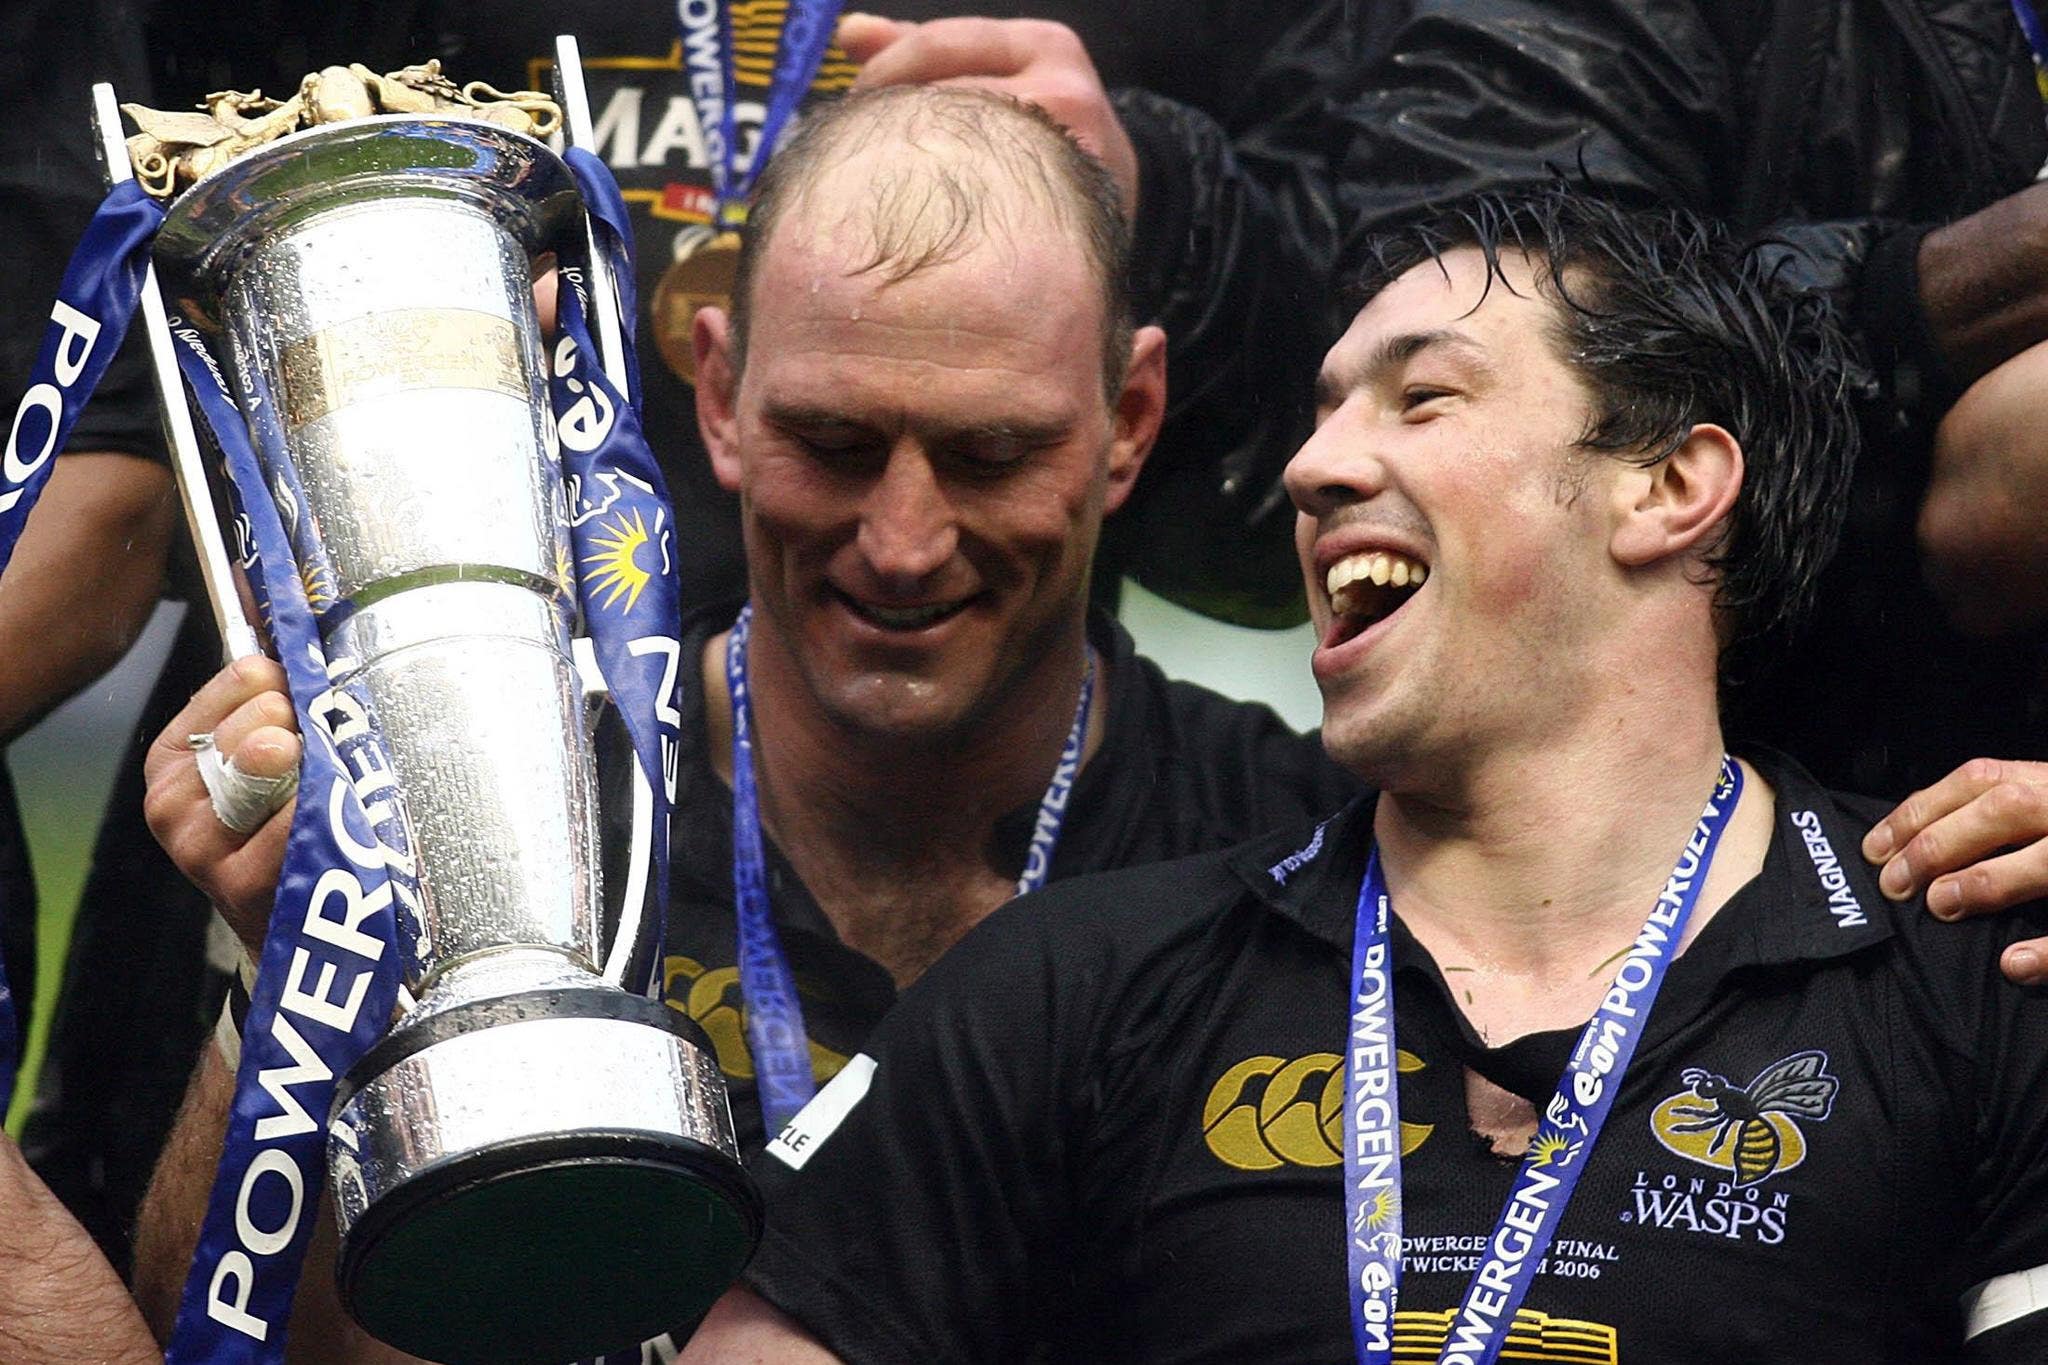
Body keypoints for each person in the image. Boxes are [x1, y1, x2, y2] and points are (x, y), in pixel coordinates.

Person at [679, 187, 2048, 1363]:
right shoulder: (1068, 986)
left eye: (1423, 395)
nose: (1312, 466)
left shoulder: (1979, 968)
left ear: (1669, 485)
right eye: (1323, 412)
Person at [129, 86, 1357, 1356]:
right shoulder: (470, 830)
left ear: (1130, 423)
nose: (901, 543)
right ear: (717, 393)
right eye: (830, 443)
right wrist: (294, 990)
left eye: (991, 455)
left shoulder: (1297, 861)